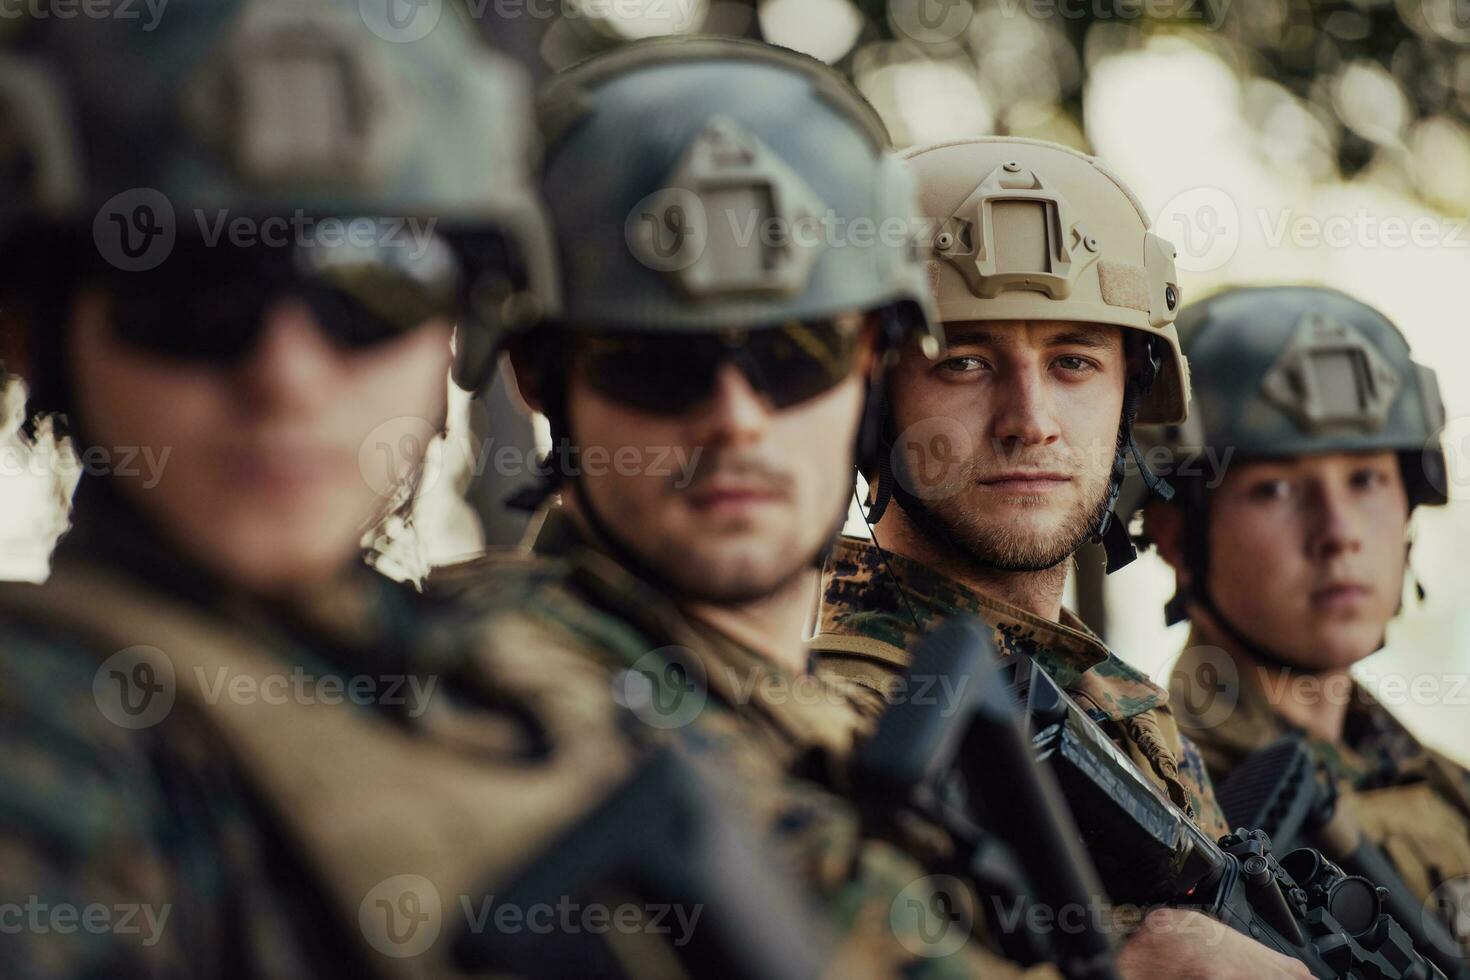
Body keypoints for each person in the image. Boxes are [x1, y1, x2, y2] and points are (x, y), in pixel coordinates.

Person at [0, 9, 829, 978]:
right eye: (196, 287)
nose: (289, 375)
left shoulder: (509, 679)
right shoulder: (50, 738)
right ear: (36, 335)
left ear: (458, 331)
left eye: (374, 284)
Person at [429, 36, 1022, 976]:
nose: (735, 420)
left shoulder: (814, 715)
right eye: (658, 363)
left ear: (873, 363)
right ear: (540, 376)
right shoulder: (493, 696)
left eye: (797, 356)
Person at [809, 136, 1312, 979]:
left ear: (1129, 400)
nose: (1029, 418)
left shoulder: (1117, 702)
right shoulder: (842, 718)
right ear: (871, 405)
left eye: (1074, 361)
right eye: (964, 362)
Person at [1138, 284, 1470, 926]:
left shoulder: (1442, 789)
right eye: (1277, 488)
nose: (1338, 531)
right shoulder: (1157, 802)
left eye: (1366, 478)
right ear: (1178, 536)